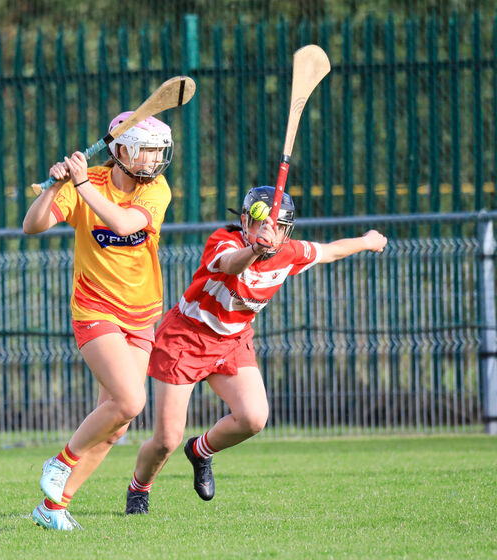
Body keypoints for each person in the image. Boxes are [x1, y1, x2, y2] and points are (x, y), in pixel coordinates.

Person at [124, 185, 388, 514]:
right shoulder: (225, 240)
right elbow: (231, 264)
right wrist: (254, 251)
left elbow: (330, 250)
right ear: (246, 222)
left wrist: (367, 242)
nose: (271, 233)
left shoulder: (289, 252)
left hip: (233, 341)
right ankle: (139, 489)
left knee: (253, 418)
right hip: (186, 338)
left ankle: (202, 450)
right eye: (263, 225)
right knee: (165, 440)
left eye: (278, 228)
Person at [23, 112, 174, 530]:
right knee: (129, 401)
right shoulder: (85, 182)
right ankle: (61, 461)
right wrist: (56, 186)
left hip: (142, 314)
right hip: (95, 310)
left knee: (115, 424)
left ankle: (52, 509)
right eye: (147, 149)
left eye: (160, 150)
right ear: (122, 151)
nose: (156, 158)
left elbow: (125, 223)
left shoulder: (155, 189)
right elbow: (32, 225)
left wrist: (81, 183)